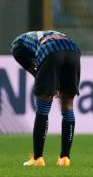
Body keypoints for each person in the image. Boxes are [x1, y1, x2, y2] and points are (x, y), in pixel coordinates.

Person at [11, 30, 81, 167]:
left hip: (51, 52)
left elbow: (17, 51)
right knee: (67, 103)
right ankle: (65, 158)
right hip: (74, 52)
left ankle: (38, 159)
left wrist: (38, 74)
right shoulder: (54, 34)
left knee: (43, 104)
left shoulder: (19, 42)